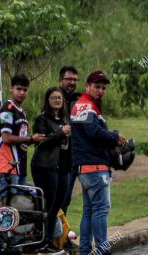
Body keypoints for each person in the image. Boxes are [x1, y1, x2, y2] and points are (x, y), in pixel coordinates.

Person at [70, 70, 128, 255]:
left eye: (103, 87)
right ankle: (103, 254)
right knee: (101, 210)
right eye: (97, 86)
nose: (101, 90)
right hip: (94, 168)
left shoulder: (84, 106)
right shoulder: (86, 105)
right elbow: (93, 132)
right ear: (87, 86)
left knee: (89, 211)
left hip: (85, 167)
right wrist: (114, 136)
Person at [31, 87, 72, 255]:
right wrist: (60, 133)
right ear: (47, 100)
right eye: (53, 97)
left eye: (59, 98)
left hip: (63, 167)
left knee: (58, 204)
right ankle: (43, 241)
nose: (57, 100)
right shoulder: (42, 119)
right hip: (45, 165)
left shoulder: (64, 120)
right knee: (48, 203)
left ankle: (50, 239)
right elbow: (41, 142)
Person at [0, 74, 44, 197]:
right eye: (18, 89)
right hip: (8, 166)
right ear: (11, 89)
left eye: (25, 90)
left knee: (21, 203)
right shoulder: (8, 109)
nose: (22, 92)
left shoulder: (21, 111)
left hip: (19, 165)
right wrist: (31, 139)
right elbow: (6, 137)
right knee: (7, 207)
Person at [58, 65, 81, 225]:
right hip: (57, 159)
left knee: (66, 199)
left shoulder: (79, 100)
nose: (72, 82)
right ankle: (53, 237)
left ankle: (62, 236)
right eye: (69, 79)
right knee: (56, 199)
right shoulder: (55, 97)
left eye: (75, 79)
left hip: (74, 157)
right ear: (60, 80)